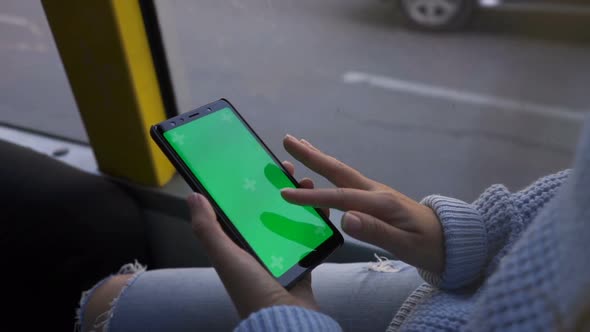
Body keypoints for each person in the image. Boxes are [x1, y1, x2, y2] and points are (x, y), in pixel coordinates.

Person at [76, 118, 590, 331]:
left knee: (109, 305)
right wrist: (459, 237)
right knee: (111, 298)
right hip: (477, 296)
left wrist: (287, 315)